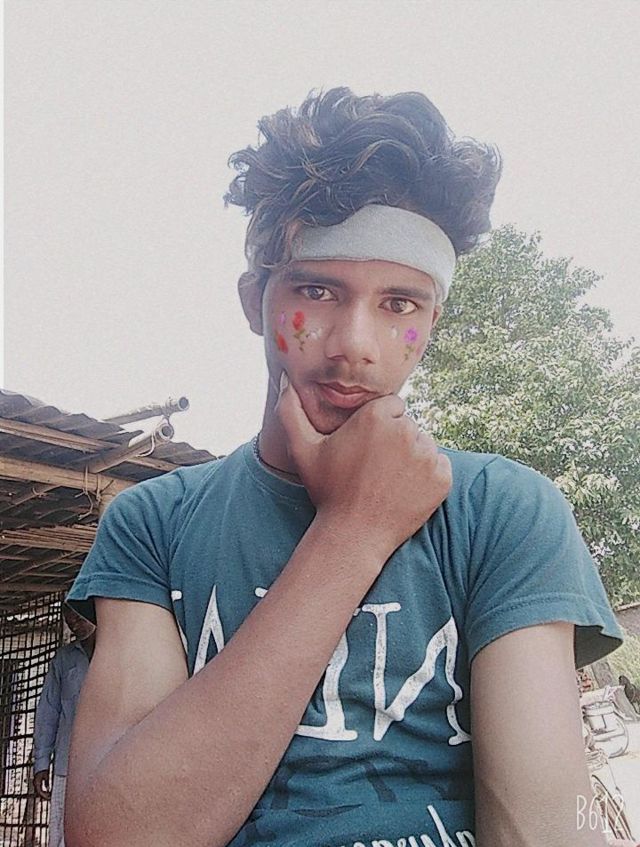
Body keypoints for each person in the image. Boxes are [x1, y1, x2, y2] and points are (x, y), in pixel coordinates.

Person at [63, 88, 626, 847]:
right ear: (256, 302)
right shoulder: (153, 523)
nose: (355, 344)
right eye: (318, 291)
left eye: (400, 304)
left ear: (431, 322)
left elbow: (544, 828)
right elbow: (121, 836)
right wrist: (354, 528)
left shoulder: (502, 509)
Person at [33, 604, 95, 847]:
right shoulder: (64, 659)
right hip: (66, 765)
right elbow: (48, 711)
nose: (74, 625)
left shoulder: (118, 654)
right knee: (61, 835)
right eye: (69, 621)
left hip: (109, 761)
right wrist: (41, 763)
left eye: (78, 618)